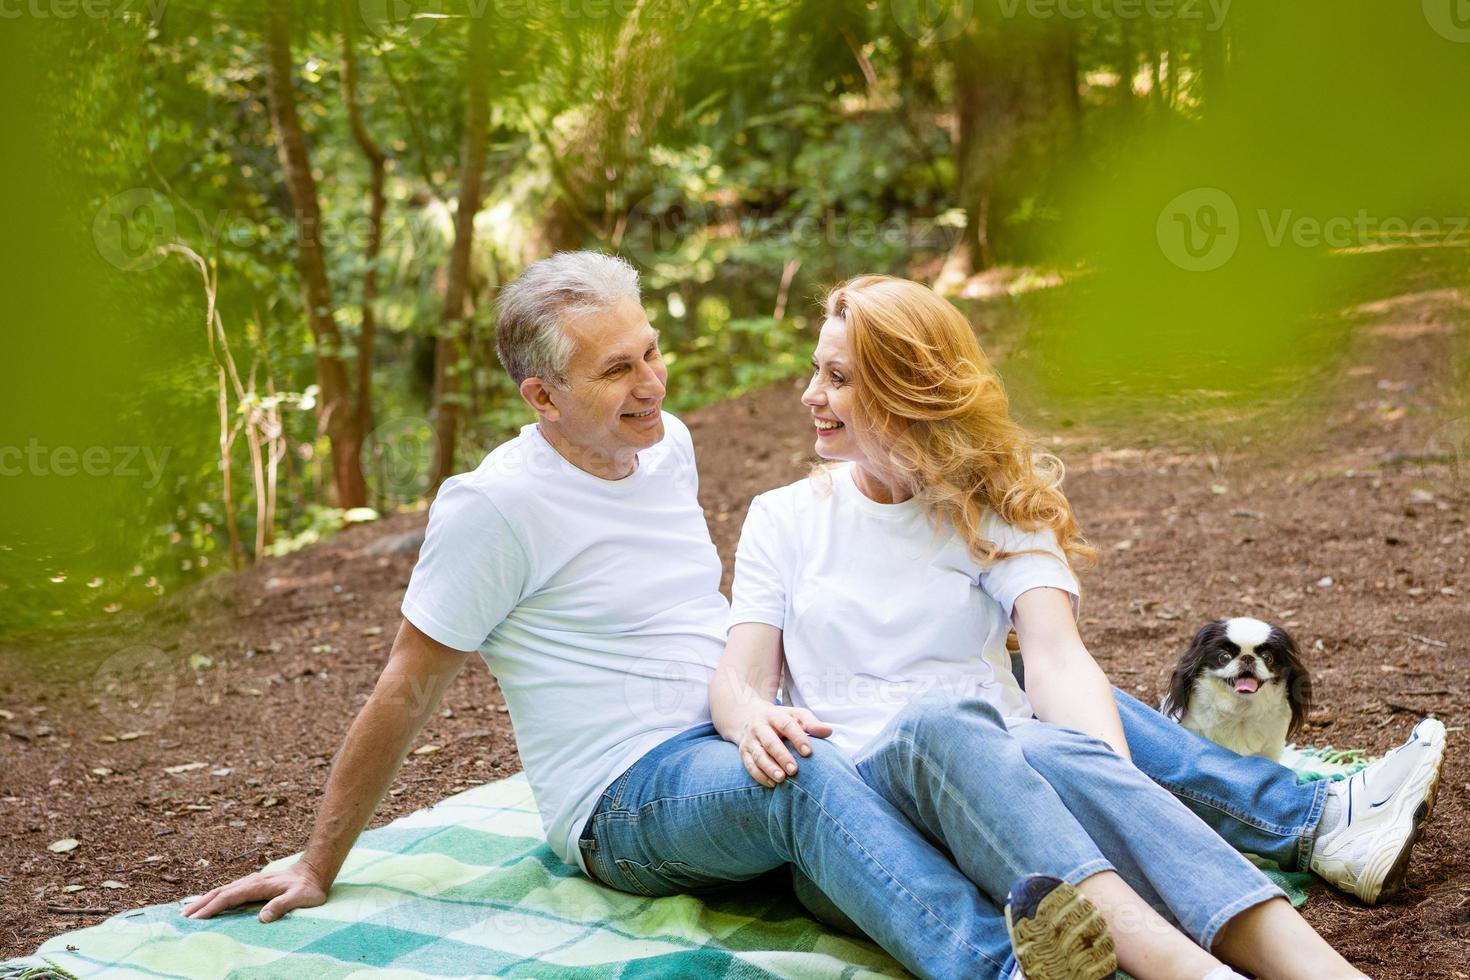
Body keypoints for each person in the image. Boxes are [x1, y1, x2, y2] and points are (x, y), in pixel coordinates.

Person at [181, 253, 1446, 980]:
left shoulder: (664, 445)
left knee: (1030, 722)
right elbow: (406, 681)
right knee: (835, 767)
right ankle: (1014, 966)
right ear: (538, 394)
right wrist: (319, 859)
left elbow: (1036, 650)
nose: (654, 382)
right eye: (615, 368)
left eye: (652, 349)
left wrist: (751, 704)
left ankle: (1295, 870)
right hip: (632, 786)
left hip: (757, 736)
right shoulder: (491, 506)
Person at [712, 273, 1449, 978]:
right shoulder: (785, 517)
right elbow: (743, 679)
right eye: (818, 372)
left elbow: (1057, 658)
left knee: (1048, 748)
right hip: (868, 823)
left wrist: (1115, 787)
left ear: (909, 389)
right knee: (940, 721)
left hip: (1009, 779)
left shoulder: (993, 504)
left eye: (839, 379)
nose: (812, 395)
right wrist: (748, 716)